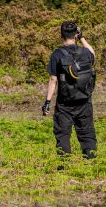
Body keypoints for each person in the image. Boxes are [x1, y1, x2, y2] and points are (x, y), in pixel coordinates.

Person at [42, 20, 97, 160]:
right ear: (75, 35)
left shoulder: (57, 54)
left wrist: (47, 102)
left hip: (64, 104)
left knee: (63, 135)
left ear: (61, 35)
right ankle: (92, 165)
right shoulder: (85, 52)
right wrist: (83, 38)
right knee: (87, 134)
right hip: (84, 102)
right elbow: (93, 55)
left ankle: (64, 168)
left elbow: (53, 80)